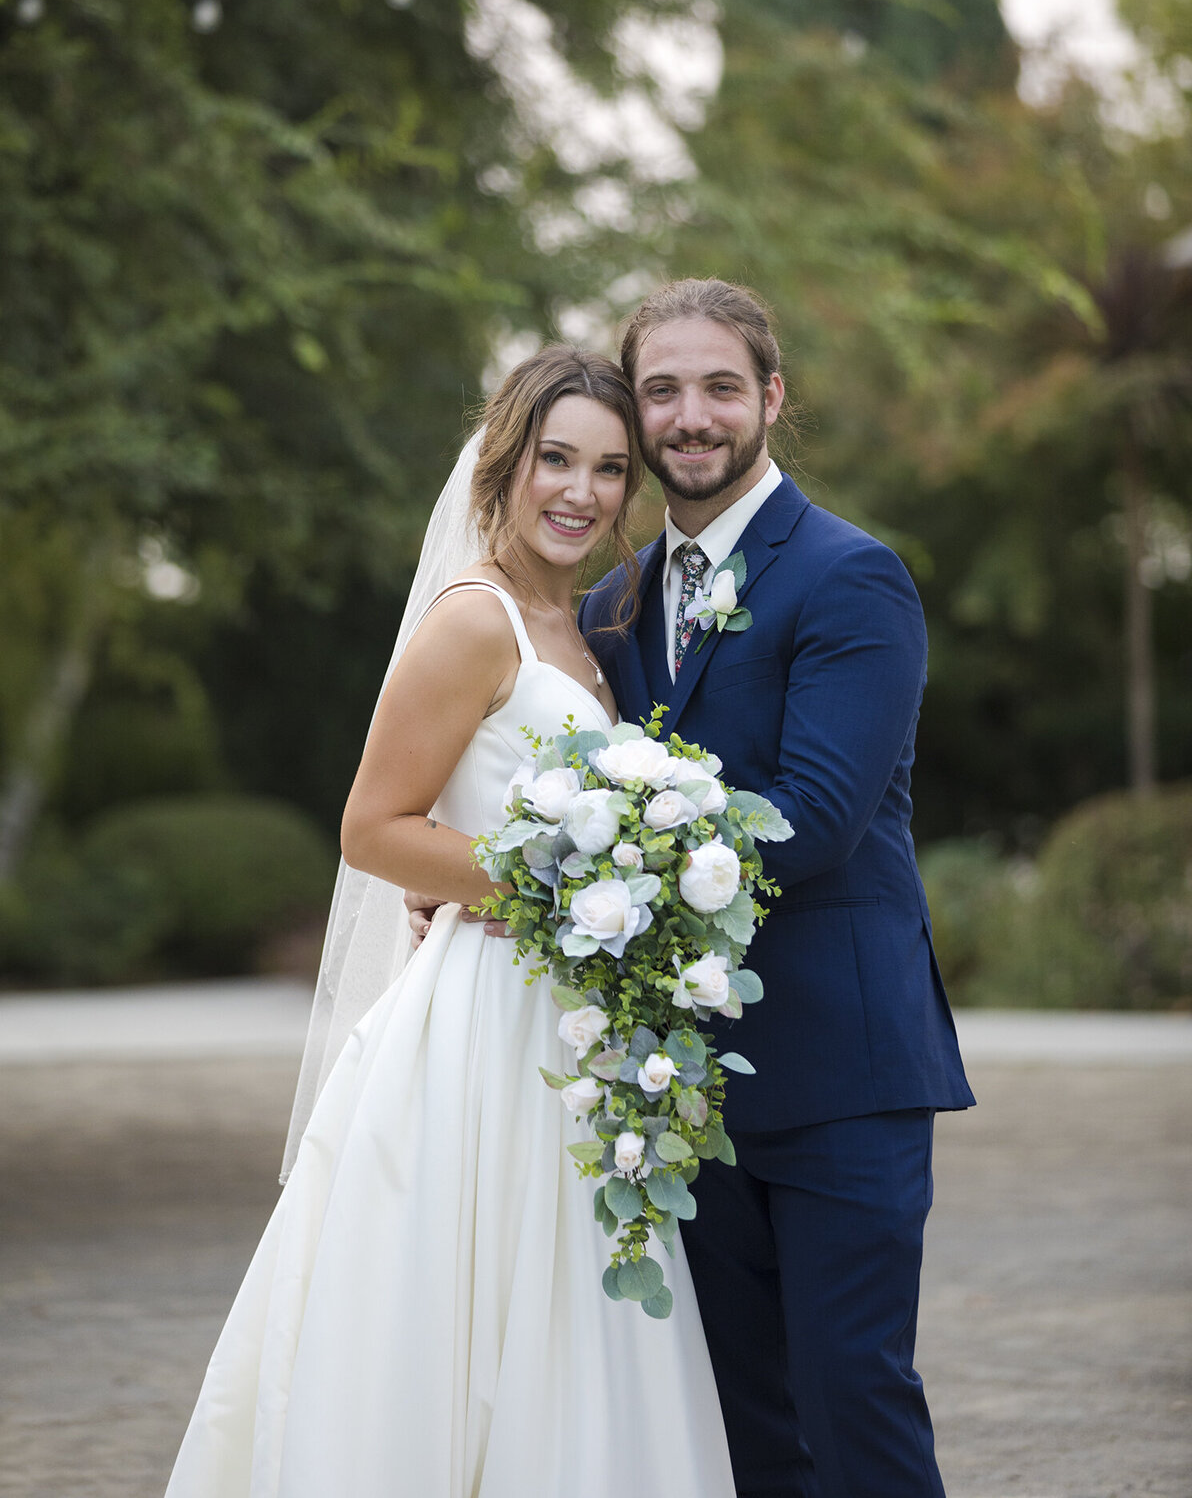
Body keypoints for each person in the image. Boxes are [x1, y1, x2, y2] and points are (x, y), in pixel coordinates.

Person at [163, 345, 737, 1498]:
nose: (580, 491)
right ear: (505, 461)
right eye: (555, 459)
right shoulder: (477, 621)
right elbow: (374, 827)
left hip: (575, 1031)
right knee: (453, 1311)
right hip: (482, 1027)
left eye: (610, 469)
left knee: (573, 1314)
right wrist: (552, 883)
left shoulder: (586, 630)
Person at [579, 279, 975, 1498]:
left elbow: (810, 820)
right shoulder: (613, 605)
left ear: (772, 399)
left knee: (854, 1394)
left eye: (718, 388)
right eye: (662, 391)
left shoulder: (851, 578)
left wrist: (575, 879)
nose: (690, 416)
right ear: (639, 415)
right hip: (681, 1081)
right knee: (746, 1418)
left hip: (839, 1065)